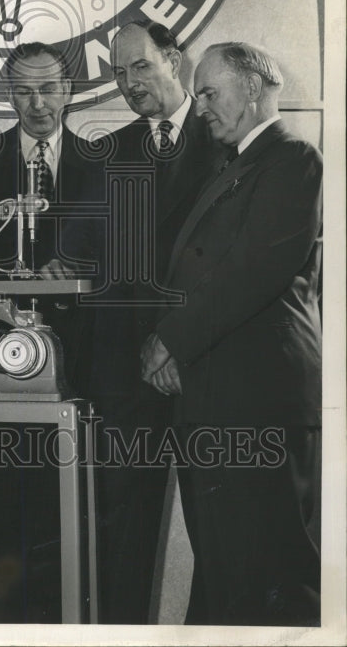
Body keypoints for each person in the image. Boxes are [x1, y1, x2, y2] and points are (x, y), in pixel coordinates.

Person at [141, 42, 322, 625]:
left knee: (271, 580)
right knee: (226, 578)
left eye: (210, 95)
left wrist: (170, 339)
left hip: (257, 403)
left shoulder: (292, 158)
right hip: (219, 399)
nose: (200, 110)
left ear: (250, 89)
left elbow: (252, 270)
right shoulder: (239, 162)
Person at [71, 19, 221, 624]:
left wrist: (179, 343)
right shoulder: (107, 153)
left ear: (174, 60)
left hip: (206, 368)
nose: (129, 83)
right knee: (119, 541)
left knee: (219, 535)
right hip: (126, 380)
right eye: (117, 73)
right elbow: (88, 261)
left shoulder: (229, 141)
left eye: (139, 67)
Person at [0, 41, 103, 623]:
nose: (37, 103)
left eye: (48, 88)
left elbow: (121, 261)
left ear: (69, 89)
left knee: (71, 529)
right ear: (7, 92)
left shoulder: (102, 163)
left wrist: (80, 270)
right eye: (23, 90)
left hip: (82, 376)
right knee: (5, 528)